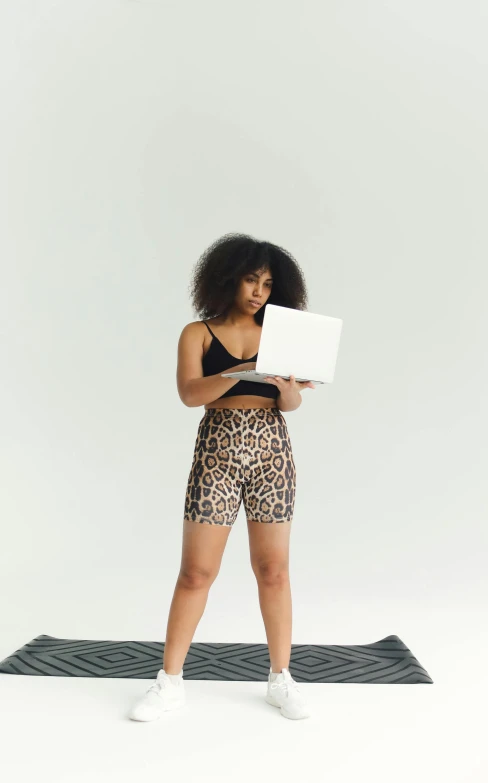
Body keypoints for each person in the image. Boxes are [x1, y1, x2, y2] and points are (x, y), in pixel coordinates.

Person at [129, 233, 314, 721]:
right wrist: (246, 369)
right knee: (196, 573)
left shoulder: (282, 334)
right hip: (218, 447)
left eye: (268, 283)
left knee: (273, 570)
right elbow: (191, 394)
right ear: (228, 278)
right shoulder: (198, 333)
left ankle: (281, 679)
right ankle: (168, 682)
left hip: (272, 448)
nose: (258, 291)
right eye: (251, 279)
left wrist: (286, 386)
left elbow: (291, 405)